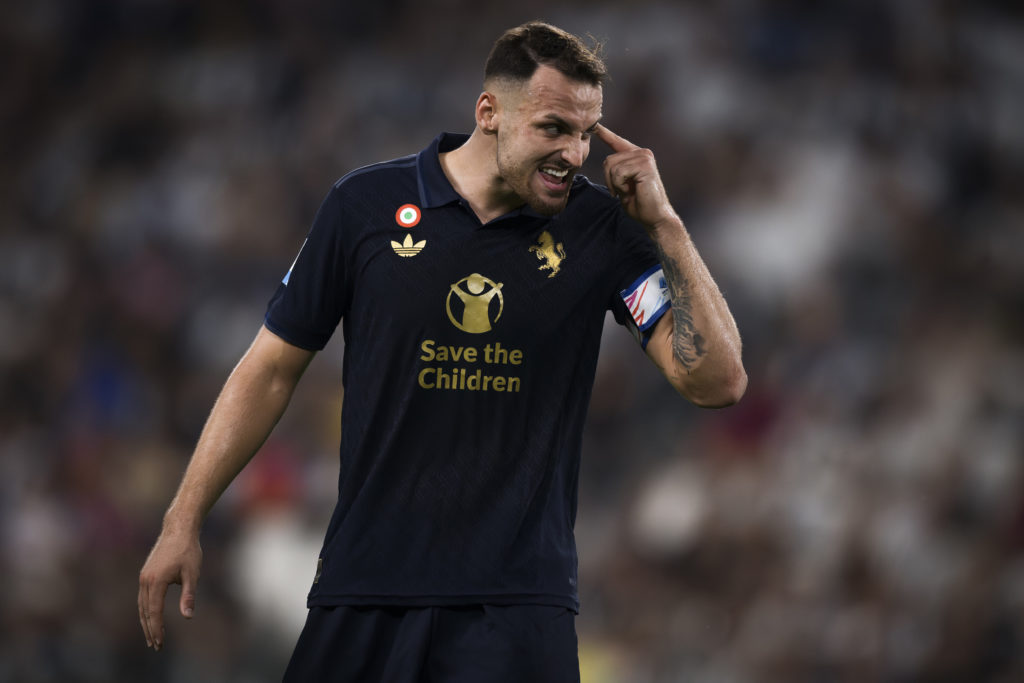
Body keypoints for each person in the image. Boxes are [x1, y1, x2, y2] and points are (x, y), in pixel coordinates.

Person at [138, 20, 745, 682]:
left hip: (515, 609)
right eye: (552, 128)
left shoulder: (601, 229)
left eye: (584, 132)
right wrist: (183, 516)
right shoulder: (363, 207)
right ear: (489, 113)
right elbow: (271, 368)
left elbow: (717, 382)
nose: (573, 153)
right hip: (365, 590)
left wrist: (667, 227)